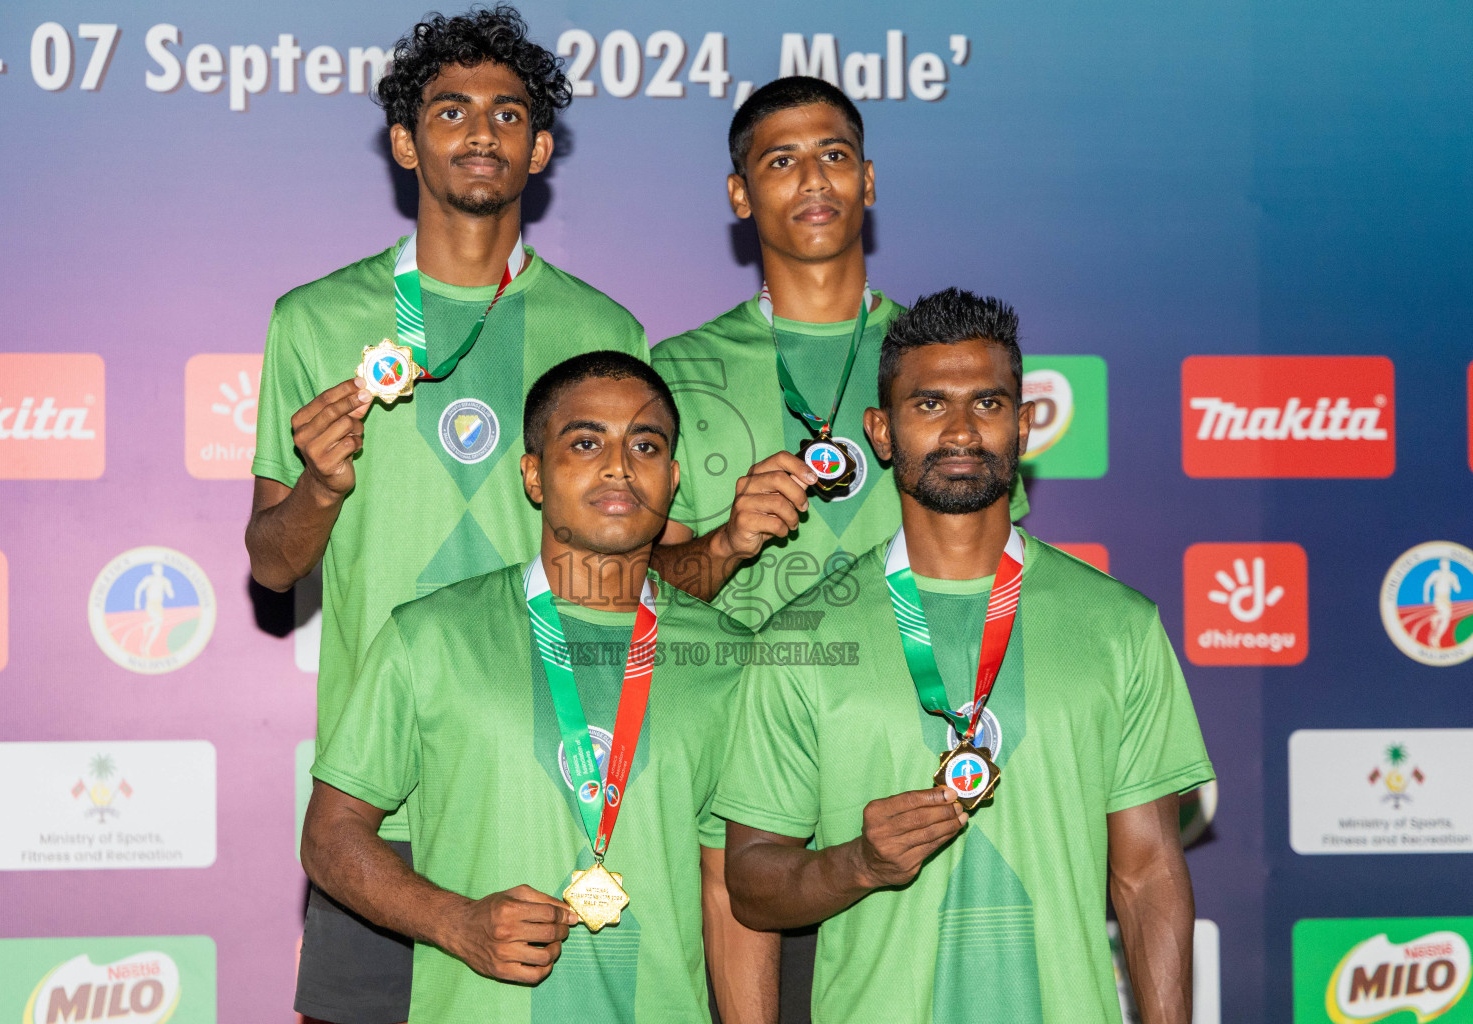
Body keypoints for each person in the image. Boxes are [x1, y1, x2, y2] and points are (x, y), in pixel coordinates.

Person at [246, 9, 647, 1022]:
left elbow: (632, 555)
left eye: (507, 113)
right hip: (381, 808)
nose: (480, 131)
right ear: (404, 140)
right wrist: (321, 488)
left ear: (540, 147)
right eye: (451, 109)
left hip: (555, 776)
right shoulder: (316, 318)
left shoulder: (604, 330)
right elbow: (270, 564)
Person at [714, 289, 1214, 1024]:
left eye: (987, 404)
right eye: (928, 405)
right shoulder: (802, 639)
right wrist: (857, 863)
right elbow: (752, 883)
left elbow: (1147, 875)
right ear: (881, 432)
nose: (959, 431)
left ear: (1025, 422)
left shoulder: (1119, 626)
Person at [300, 352, 778, 1023]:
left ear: (672, 480)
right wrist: (456, 921)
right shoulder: (433, 635)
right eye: (586, 442)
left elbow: (731, 889)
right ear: (533, 474)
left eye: (645, 445)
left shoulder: (732, 658)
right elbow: (330, 835)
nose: (619, 465)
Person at [650, 77, 1027, 632]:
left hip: (913, 702)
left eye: (834, 155)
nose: (813, 180)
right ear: (740, 194)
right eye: (782, 162)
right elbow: (637, 590)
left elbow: (997, 568)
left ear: (867, 181)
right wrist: (727, 545)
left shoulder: (946, 358)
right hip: (744, 709)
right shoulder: (680, 368)